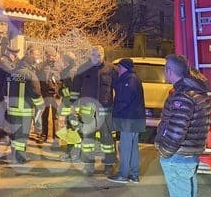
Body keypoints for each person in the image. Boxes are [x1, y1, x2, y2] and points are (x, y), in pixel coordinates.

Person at [155, 54, 211, 197]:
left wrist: (164, 151)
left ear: (170, 70)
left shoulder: (183, 96)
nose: (165, 73)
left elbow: (176, 130)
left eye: (166, 69)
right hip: (189, 156)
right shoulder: (196, 92)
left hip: (178, 158)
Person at [63, 45, 116, 175]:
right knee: (88, 140)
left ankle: (108, 165)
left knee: (107, 140)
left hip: (105, 111)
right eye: (94, 55)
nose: (96, 58)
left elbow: (117, 90)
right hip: (87, 112)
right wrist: (73, 107)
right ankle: (88, 166)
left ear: (103, 55)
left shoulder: (111, 69)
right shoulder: (82, 69)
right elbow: (75, 90)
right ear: (89, 55)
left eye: (99, 55)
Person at [107, 58, 146, 184]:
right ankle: (134, 175)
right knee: (133, 147)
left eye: (118, 67)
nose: (117, 70)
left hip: (128, 119)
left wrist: (115, 112)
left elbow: (124, 100)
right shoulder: (131, 78)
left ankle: (123, 174)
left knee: (125, 147)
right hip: (135, 119)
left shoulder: (130, 80)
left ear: (123, 67)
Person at [5, 45, 44, 164]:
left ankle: (14, 154)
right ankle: (20, 157)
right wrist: (40, 106)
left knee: (14, 134)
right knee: (22, 135)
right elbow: (36, 93)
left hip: (11, 109)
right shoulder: (29, 74)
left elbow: (3, 90)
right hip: (24, 111)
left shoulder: (12, 73)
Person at [0, 44, 18, 145]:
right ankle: (3, 136)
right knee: (5, 114)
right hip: (4, 92)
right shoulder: (4, 61)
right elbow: (13, 74)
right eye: (14, 55)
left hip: (6, 91)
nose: (15, 57)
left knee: (6, 114)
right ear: (9, 53)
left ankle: (4, 135)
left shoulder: (7, 61)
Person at [37, 48, 61, 147]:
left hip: (55, 95)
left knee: (55, 116)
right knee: (45, 114)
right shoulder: (42, 66)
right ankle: (44, 135)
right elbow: (38, 79)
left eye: (51, 55)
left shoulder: (60, 66)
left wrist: (58, 91)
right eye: (47, 55)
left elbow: (63, 80)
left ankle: (56, 138)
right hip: (45, 94)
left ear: (55, 56)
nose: (49, 57)